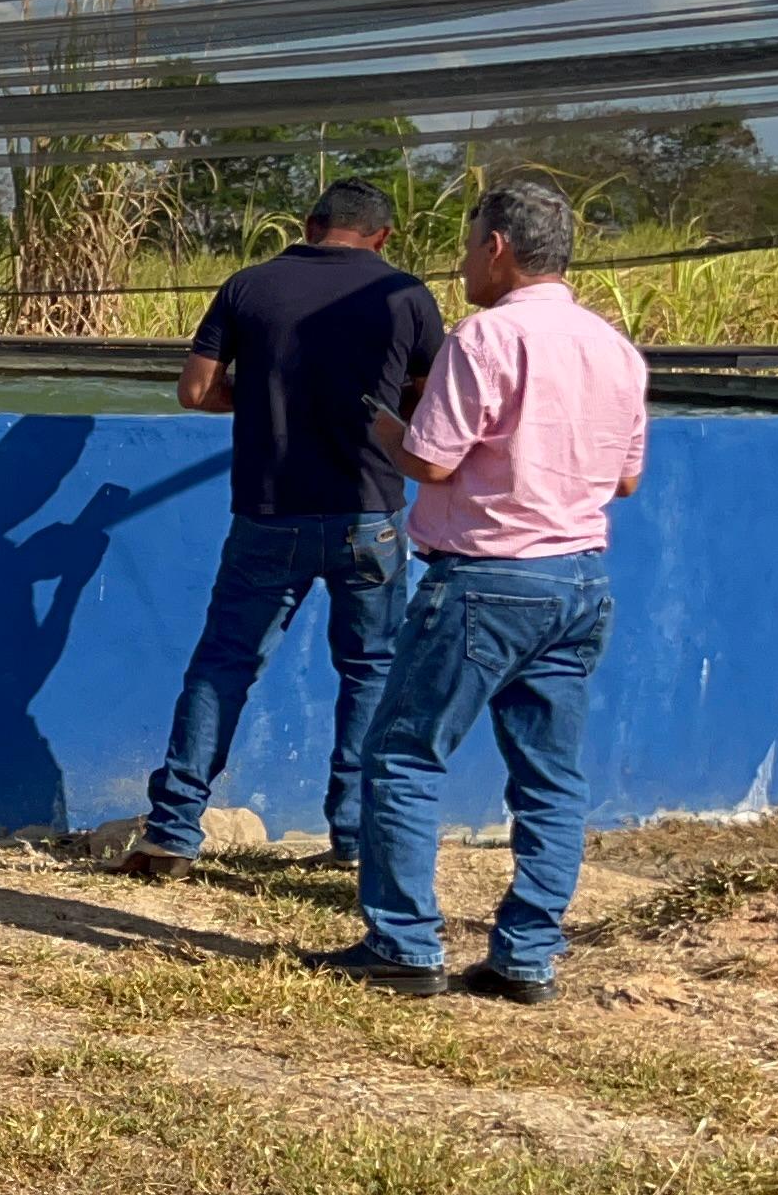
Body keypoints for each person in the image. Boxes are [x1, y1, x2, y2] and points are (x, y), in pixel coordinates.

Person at [320, 177, 647, 1004]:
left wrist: (385, 428)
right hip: (579, 578)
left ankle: (402, 942)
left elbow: (433, 462)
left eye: (469, 248)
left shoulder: (486, 337)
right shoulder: (614, 348)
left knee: (402, 754)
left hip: (487, 577)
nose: (464, 264)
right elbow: (626, 479)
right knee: (550, 777)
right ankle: (527, 955)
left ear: (497, 248)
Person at [121, 179, 446, 877]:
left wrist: (263, 394)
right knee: (370, 671)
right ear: (383, 236)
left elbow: (195, 390)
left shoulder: (248, 286)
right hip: (370, 515)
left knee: (224, 666)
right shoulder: (407, 295)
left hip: (269, 515)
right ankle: (356, 839)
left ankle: (172, 832)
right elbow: (429, 404)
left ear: (308, 223)